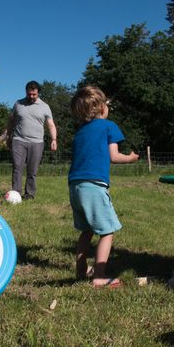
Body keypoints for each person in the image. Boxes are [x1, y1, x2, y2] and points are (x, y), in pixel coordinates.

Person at [68, 86, 139, 288]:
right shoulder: (109, 126)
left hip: (75, 185)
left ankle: (81, 271)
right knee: (107, 232)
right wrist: (131, 158)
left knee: (86, 231)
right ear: (101, 108)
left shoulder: (80, 131)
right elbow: (114, 156)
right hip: (94, 186)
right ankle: (99, 277)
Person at [6, 81, 57, 199]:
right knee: (17, 167)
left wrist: (54, 139)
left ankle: (29, 194)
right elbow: (11, 121)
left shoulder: (45, 106)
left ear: (38, 93)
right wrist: (8, 136)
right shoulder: (18, 104)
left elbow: (51, 124)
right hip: (19, 140)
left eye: (34, 94)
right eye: (29, 94)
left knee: (32, 170)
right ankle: (16, 194)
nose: (31, 96)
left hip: (37, 142)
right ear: (26, 92)